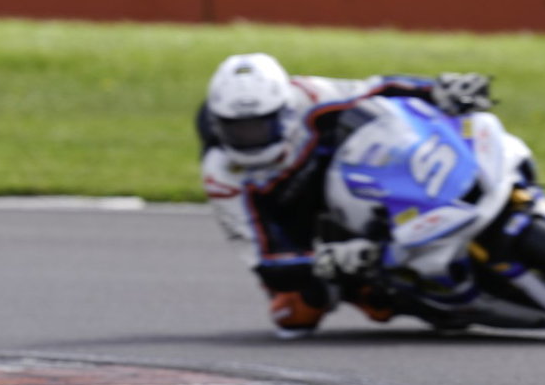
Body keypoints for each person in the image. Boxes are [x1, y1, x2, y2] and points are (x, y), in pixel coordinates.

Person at [196, 52, 494, 338]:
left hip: (354, 177)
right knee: (296, 314)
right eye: (239, 129)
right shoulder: (222, 176)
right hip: (302, 233)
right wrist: (327, 260)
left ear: (284, 113)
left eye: (259, 126)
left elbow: (377, 88)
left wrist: (439, 89)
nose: (250, 138)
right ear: (217, 123)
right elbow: (264, 262)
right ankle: (420, 300)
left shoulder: (309, 96)